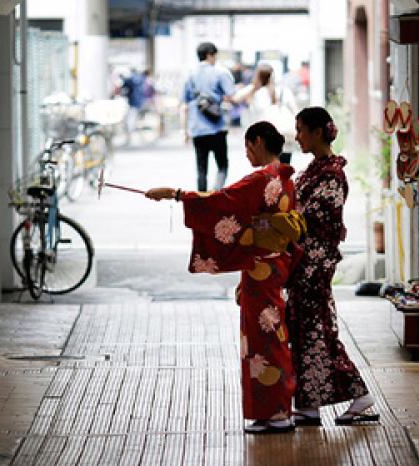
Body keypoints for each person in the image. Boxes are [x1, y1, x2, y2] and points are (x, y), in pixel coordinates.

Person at [144, 122, 305, 434]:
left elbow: (222, 202)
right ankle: (280, 409)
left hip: (262, 265)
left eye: (247, 146)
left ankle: (275, 414)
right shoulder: (283, 178)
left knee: (263, 339)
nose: (246, 154)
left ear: (258, 142)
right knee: (273, 334)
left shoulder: (262, 177)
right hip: (275, 265)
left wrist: (175, 194)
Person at [287, 107, 379, 426]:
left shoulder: (331, 174)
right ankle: (310, 404)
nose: (297, 136)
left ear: (316, 132)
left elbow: (310, 220)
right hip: (303, 263)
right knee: (307, 329)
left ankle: (358, 395)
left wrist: (281, 223)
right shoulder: (317, 169)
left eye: (300, 129)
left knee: (315, 329)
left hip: (314, 264)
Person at [183, 42, 235, 191]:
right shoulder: (220, 72)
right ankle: (215, 193)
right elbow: (232, 95)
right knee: (222, 166)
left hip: (197, 130)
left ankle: (201, 202)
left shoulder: (190, 75)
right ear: (210, 55)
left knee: (201, 169)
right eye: (215, 56)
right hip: (217, 127)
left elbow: (184, 105)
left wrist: (185, 130)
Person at [233, 64, 298, 164]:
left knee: (268, 171)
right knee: (284, 168)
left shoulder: (256, 92)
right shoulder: (283, 90)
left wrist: (253, 86)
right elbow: (295, 110)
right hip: (284, 134)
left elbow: (236, 98)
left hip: (265, 138)